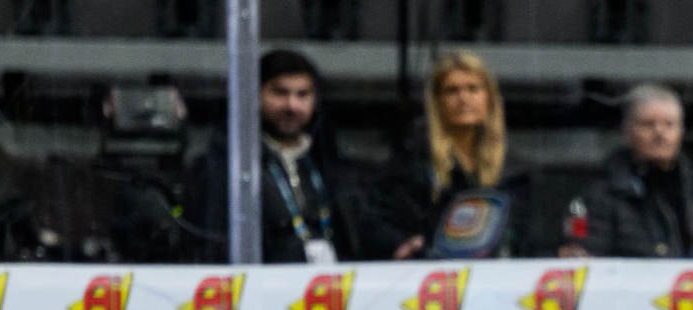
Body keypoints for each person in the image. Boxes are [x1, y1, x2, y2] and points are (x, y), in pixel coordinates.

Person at [191, 49, 367, 263]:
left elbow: (363, 226)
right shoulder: (229, 166)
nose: (292, 106)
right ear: (254, 95)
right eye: (280, 93)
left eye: (302, 95)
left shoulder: (329, 163)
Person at [381, 51, 524, 260]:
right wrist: (404, 244)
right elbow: (381, 219)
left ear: (490, 98)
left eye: (473, 89)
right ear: (437, 102)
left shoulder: (514, 167)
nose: (464, 98)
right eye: (452, 91)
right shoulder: (414, 161)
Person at [561, 83, 693, 259]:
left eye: (669, 125)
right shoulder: (601, 196)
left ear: (681, 131)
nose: (660, 133)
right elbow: (587, 262)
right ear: (627, 131)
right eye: (648, 124)